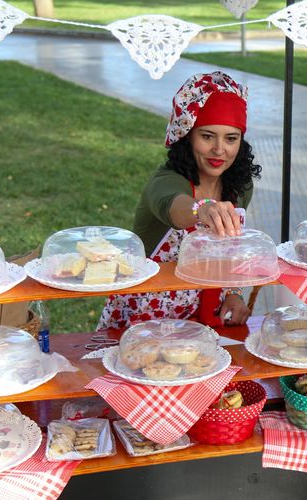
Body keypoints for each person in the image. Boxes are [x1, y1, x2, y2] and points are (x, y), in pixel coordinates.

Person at [97, 71, 261, 331]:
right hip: (144, 317)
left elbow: (229, 251)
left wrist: (234, 293)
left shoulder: (240, 188)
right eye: (207, 136)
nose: (220, 150)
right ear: (187, 137)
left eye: (231, 138)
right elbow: (175, 208)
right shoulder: (164, 181)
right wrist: (203, 209)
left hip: (207, 316)